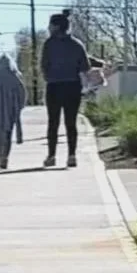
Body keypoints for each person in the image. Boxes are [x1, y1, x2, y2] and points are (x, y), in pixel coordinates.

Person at [39, 11, 89, 168]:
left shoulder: (49, 44)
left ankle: (51, 155)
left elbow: (44, 66)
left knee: (53, 122)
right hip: (73, 86)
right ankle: (72, 156)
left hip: (54, 86)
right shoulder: (77, 44)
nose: (49, 28)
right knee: (71, 122)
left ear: (56, 27)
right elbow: (85, 66)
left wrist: (49, 76)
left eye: (51, 25)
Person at [0, 53, 27, 170]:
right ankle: (5, 156)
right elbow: (22, 93)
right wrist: (19, 107)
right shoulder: (14, 76)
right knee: (8, 134)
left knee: (0, 135)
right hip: (11, 110)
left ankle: (0, 156)